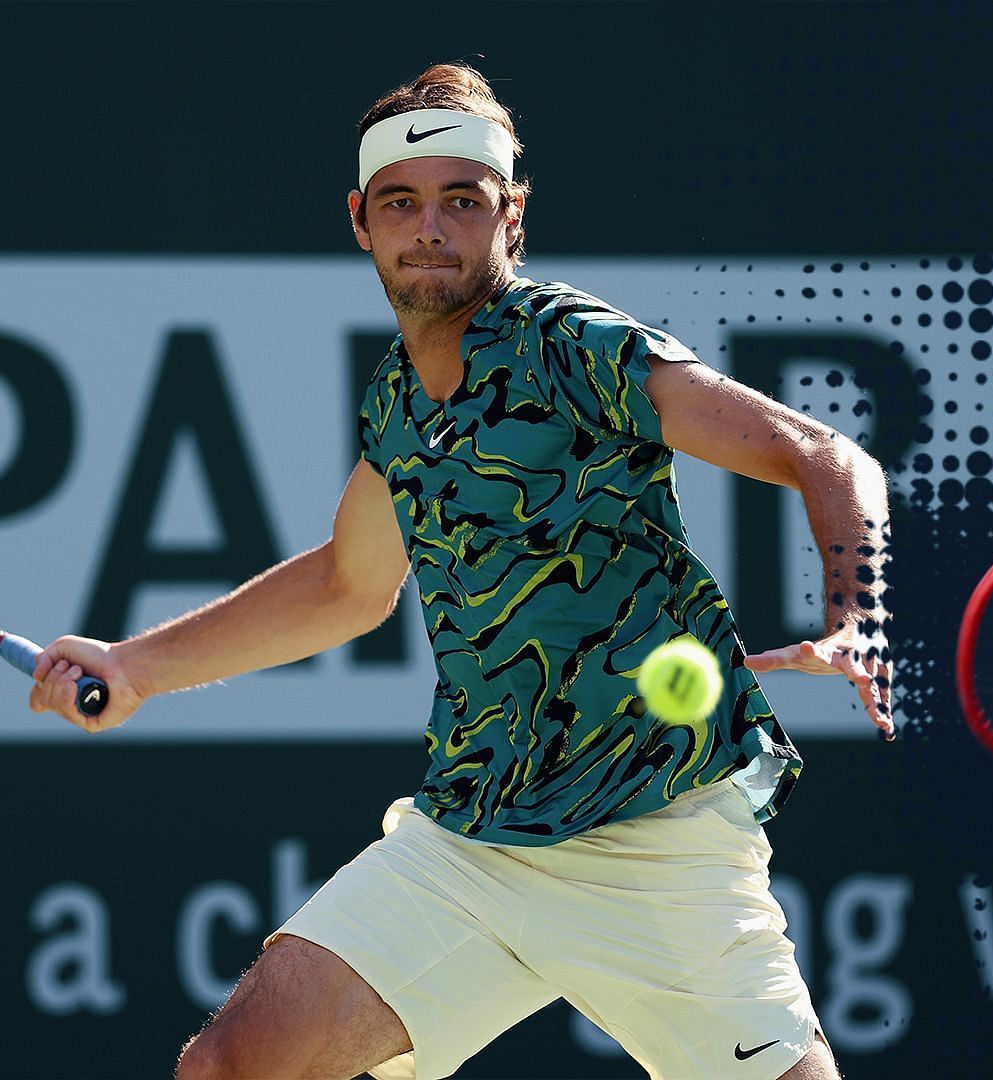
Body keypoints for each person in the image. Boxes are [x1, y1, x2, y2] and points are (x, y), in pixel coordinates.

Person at [27, 62, 893, 1080]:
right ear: (361, 219)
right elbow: (347, 585)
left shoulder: (574, 345)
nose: (428, 226)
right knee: (228, 1067)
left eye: (460, 200)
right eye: (401, 202)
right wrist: (134, 667)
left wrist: (857, 612)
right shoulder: (399, 403)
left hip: (655, 831)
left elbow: (827, 454)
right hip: (472, 837)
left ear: (509, 215)